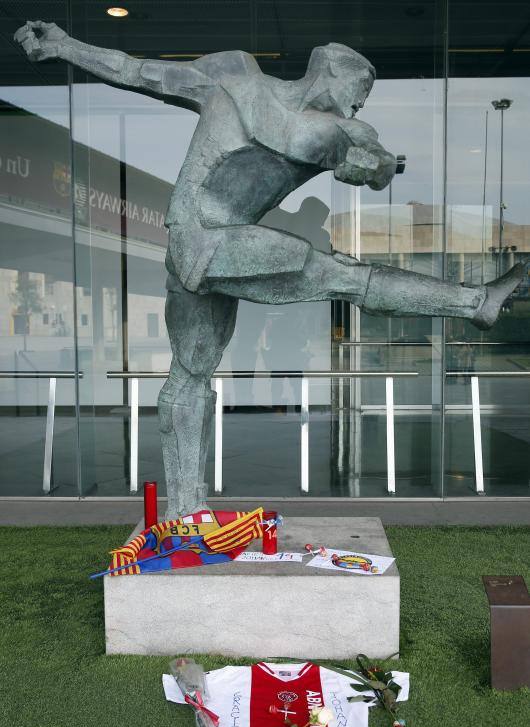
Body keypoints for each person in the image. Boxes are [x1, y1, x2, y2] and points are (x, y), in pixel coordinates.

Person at [14, 21, 525, 516]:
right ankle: (473, 302)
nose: (360, 102)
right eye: (360, 89)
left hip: (211, 249)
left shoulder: (341, 131)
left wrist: (375, 167)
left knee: (191, 375)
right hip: (200, 242)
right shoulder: (232, 79)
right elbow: (135, 69)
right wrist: (65, 46)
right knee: (334, 276)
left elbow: (374, 162)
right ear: (331, 72)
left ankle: (185, 510)